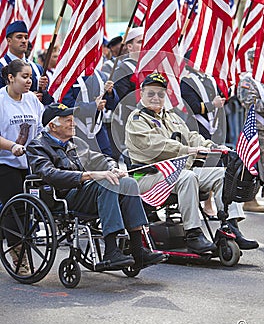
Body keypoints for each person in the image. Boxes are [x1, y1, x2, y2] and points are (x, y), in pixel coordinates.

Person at [125, 73, 259, 253]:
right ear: (141, 94)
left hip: (177, 171)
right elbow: (154, 144)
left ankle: (230, 226)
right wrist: (185, 149)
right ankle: (193, 233)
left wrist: (213, 147)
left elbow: (192, 137)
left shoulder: (171, 116)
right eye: (151, 93)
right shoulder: (136, 120)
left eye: (160, 94)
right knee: (187, 177)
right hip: (149, 175)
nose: (156, 98)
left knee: (223, 174)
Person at [26, 103, 166, 269]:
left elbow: (101, 158)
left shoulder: (74, 143)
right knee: (107, 183)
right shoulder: (37, 146)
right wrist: (91, 175)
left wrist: (114, 168)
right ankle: (111, 251)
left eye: (73, 120)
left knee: (128, 183)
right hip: (63, 197)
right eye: (68, 120)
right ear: (52, 126)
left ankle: (138, 249)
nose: (74, 123)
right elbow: (50, 175)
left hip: (84, 191)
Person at [0, 59, 44, 274]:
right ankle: (19, 258)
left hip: (31, 162)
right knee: (16, 208)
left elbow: (43, 127)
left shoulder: (32, 100)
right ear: (11, 77)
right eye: (24, 77)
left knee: (31, 208)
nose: (29, 81)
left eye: (30, 77)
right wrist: (12, 146)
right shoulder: (1, 100)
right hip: (6, 162)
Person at [180, 50, 227, 218]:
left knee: (217, 162)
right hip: (197, 126)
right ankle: (204, 202)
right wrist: (212, 105)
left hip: (215, 125)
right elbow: (192, 106)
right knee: (203, 164)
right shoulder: (186, 81)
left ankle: (213, 203)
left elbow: (221, 97)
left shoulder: (210, 79)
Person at [237, 48, 264, 211]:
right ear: (251, 61)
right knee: (253, 164)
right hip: (255, 128)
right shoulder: (247, 81)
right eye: (255, 59)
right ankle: (250, 199)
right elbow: (250, 103)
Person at [62, 70, 119, 156]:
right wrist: (93, 107)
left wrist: (110, 93)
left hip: (99, 132)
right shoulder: (68, 76)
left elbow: (113, 104)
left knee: (106, 163)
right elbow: (67, 105)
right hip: (76, 131)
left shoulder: (101, 76)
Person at [0, 21, 53, 105]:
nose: (24, 41)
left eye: (26, 37)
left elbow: (48, 100)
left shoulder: (37, 68)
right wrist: (30, 98)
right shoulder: (1, 66)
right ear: (9, 41)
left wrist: (43, 90)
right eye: (19, 37)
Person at [111, 27, 144, 157]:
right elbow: (123, 99)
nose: (144, 45)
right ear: (129, 47)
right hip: (133, 121)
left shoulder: (150, 67)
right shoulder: (123, 69)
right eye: (140, 42)